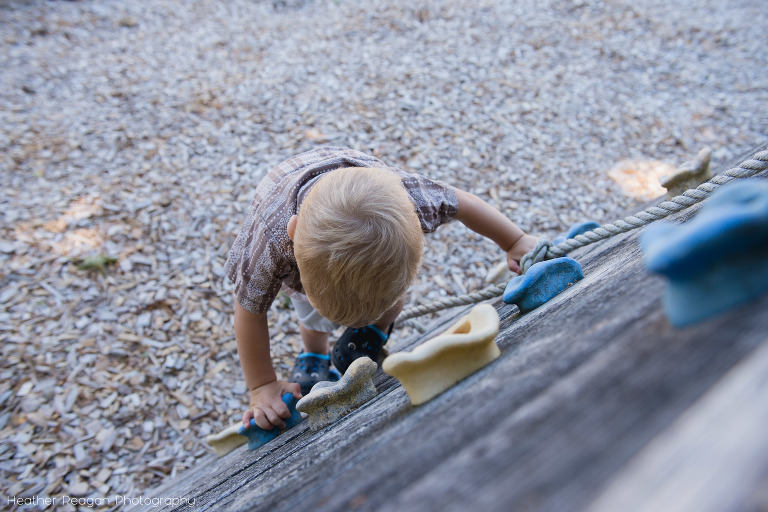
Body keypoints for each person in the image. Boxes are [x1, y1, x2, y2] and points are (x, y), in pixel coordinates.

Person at [224, 146, 537, 430]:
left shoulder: (410, 198)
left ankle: (373, 330)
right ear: (294, 233)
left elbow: (463, 203)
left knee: (382, 297)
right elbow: (248, 311)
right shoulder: (268, 244)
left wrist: (515, 241)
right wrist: (261, 386)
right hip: (282, 212)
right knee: (313, 317)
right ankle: (314, 354)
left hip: (350, 191)